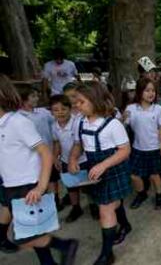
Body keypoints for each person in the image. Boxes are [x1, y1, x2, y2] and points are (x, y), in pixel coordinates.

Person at [0, 75, 79, 264]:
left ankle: (65, 245)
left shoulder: (17, 122)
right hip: (9, 184)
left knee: (26, 236)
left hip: (27, 185)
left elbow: (46, 153)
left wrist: (41, 187)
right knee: (31, 232)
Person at [68, 82, 132, 264]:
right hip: (95, 168)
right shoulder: (80, 121)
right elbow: (78, 144)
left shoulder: (112, 125)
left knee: (105, 209)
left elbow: (124, 150)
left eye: (81, 102)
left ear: (95, 100)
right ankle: (126, 225)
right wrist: (73, 159)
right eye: (76, 102)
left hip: (113, 168)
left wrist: (104, 165)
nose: (76, 105)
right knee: (112, 202)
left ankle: (107, 253)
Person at [50, 95, 99, 222]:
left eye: (63, 109)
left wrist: (74, 159)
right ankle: (76, 208)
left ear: (70, 109)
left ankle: (93, 206)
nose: (60, 112)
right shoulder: (54, 126)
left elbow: (81, 143)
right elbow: (56, 143)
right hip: (65, 160)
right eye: (56, 110)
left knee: (89, 186)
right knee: (71, 186)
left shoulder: (77, 122)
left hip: (83, 160)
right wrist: (56, 158)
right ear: (51, 112)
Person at [18, 85, 65, 211]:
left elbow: (56, 120)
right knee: (40, 177)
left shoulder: (43, 112)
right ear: (23, 99)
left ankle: (55, 198)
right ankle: (44, 201)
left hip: (49, 150)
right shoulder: (19, 116)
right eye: (32, 96)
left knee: (53, 177)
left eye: (37, 95)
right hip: (32, 154)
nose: (36, 98)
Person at [125, 78, 161, 210]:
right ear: (139, 91)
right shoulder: (131, 108)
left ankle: (159, 196)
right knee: (134, 175)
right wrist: (121, 117)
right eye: (147, 90)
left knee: (155, 174)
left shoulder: (158, 109)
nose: (151, 93)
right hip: (137, 148)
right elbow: (122, 124)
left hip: (154, 148)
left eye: (153, 90)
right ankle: (141, 194)